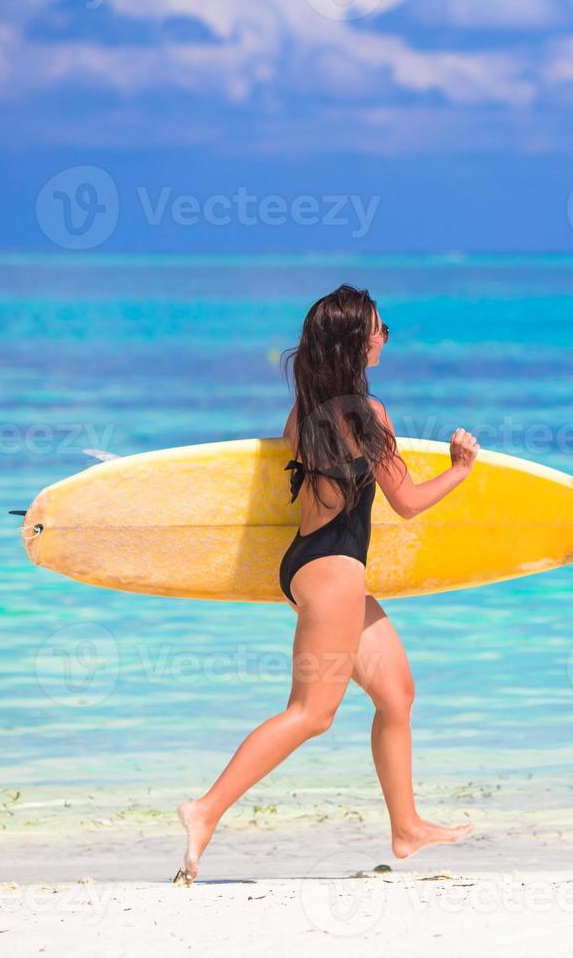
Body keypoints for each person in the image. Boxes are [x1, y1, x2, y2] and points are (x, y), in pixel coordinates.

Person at [174, 284, 479, 886]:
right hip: (335, 572)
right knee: (312, 713)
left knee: (396, 695)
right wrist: (460, 468)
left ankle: (407, 826)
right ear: (355, 342)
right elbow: (408, 502)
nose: (385, 335)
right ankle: (205, 810)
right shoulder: (368, 415)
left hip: (311, 565)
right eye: (379, 327)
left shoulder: (304, 412)